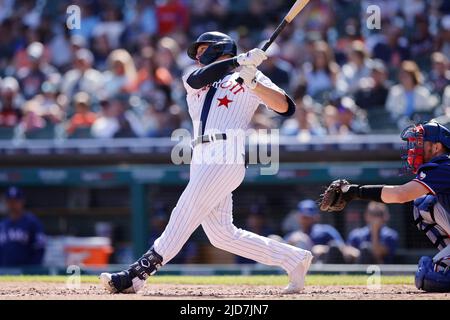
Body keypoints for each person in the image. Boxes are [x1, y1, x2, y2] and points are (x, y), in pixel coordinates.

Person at [100, 31, 312, 294]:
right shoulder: (195, 76)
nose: (197, 56)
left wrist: (254, 82)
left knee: (185, 210)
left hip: (226, 152)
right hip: (200, 155)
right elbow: (201, 76)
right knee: (222, 234)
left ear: (220, 47)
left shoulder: (249, 75)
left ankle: (138, 273)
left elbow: (285, 107)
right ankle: (293, 259)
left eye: (202, 50)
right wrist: (240, 61)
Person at [318, 121, 450, 292]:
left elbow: (400, 194)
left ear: (436, 147)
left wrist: (356, 192)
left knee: (429, 276)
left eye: (420, 143)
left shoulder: (444, 167)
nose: (413, 148)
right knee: (423, 205)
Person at [284, 199, 346, 263]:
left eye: (308, 217)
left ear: (316, 217)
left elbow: (342, 248)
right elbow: (280, 252)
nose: (306, 220)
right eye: (304, 217)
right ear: (298, 217)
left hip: (321, 267)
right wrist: (290, 243)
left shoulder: (326, 230)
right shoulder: (293, 235)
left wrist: (324, 249)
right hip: (298, 268)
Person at [0, 187, 46, 266]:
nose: (12, 205)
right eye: (10, 201)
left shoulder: (32, 223)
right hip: (4, 272)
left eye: (16, 201)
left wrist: (32, 271)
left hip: (26, 273)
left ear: (22, 201)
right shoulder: (2, 224)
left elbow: (40, 249)